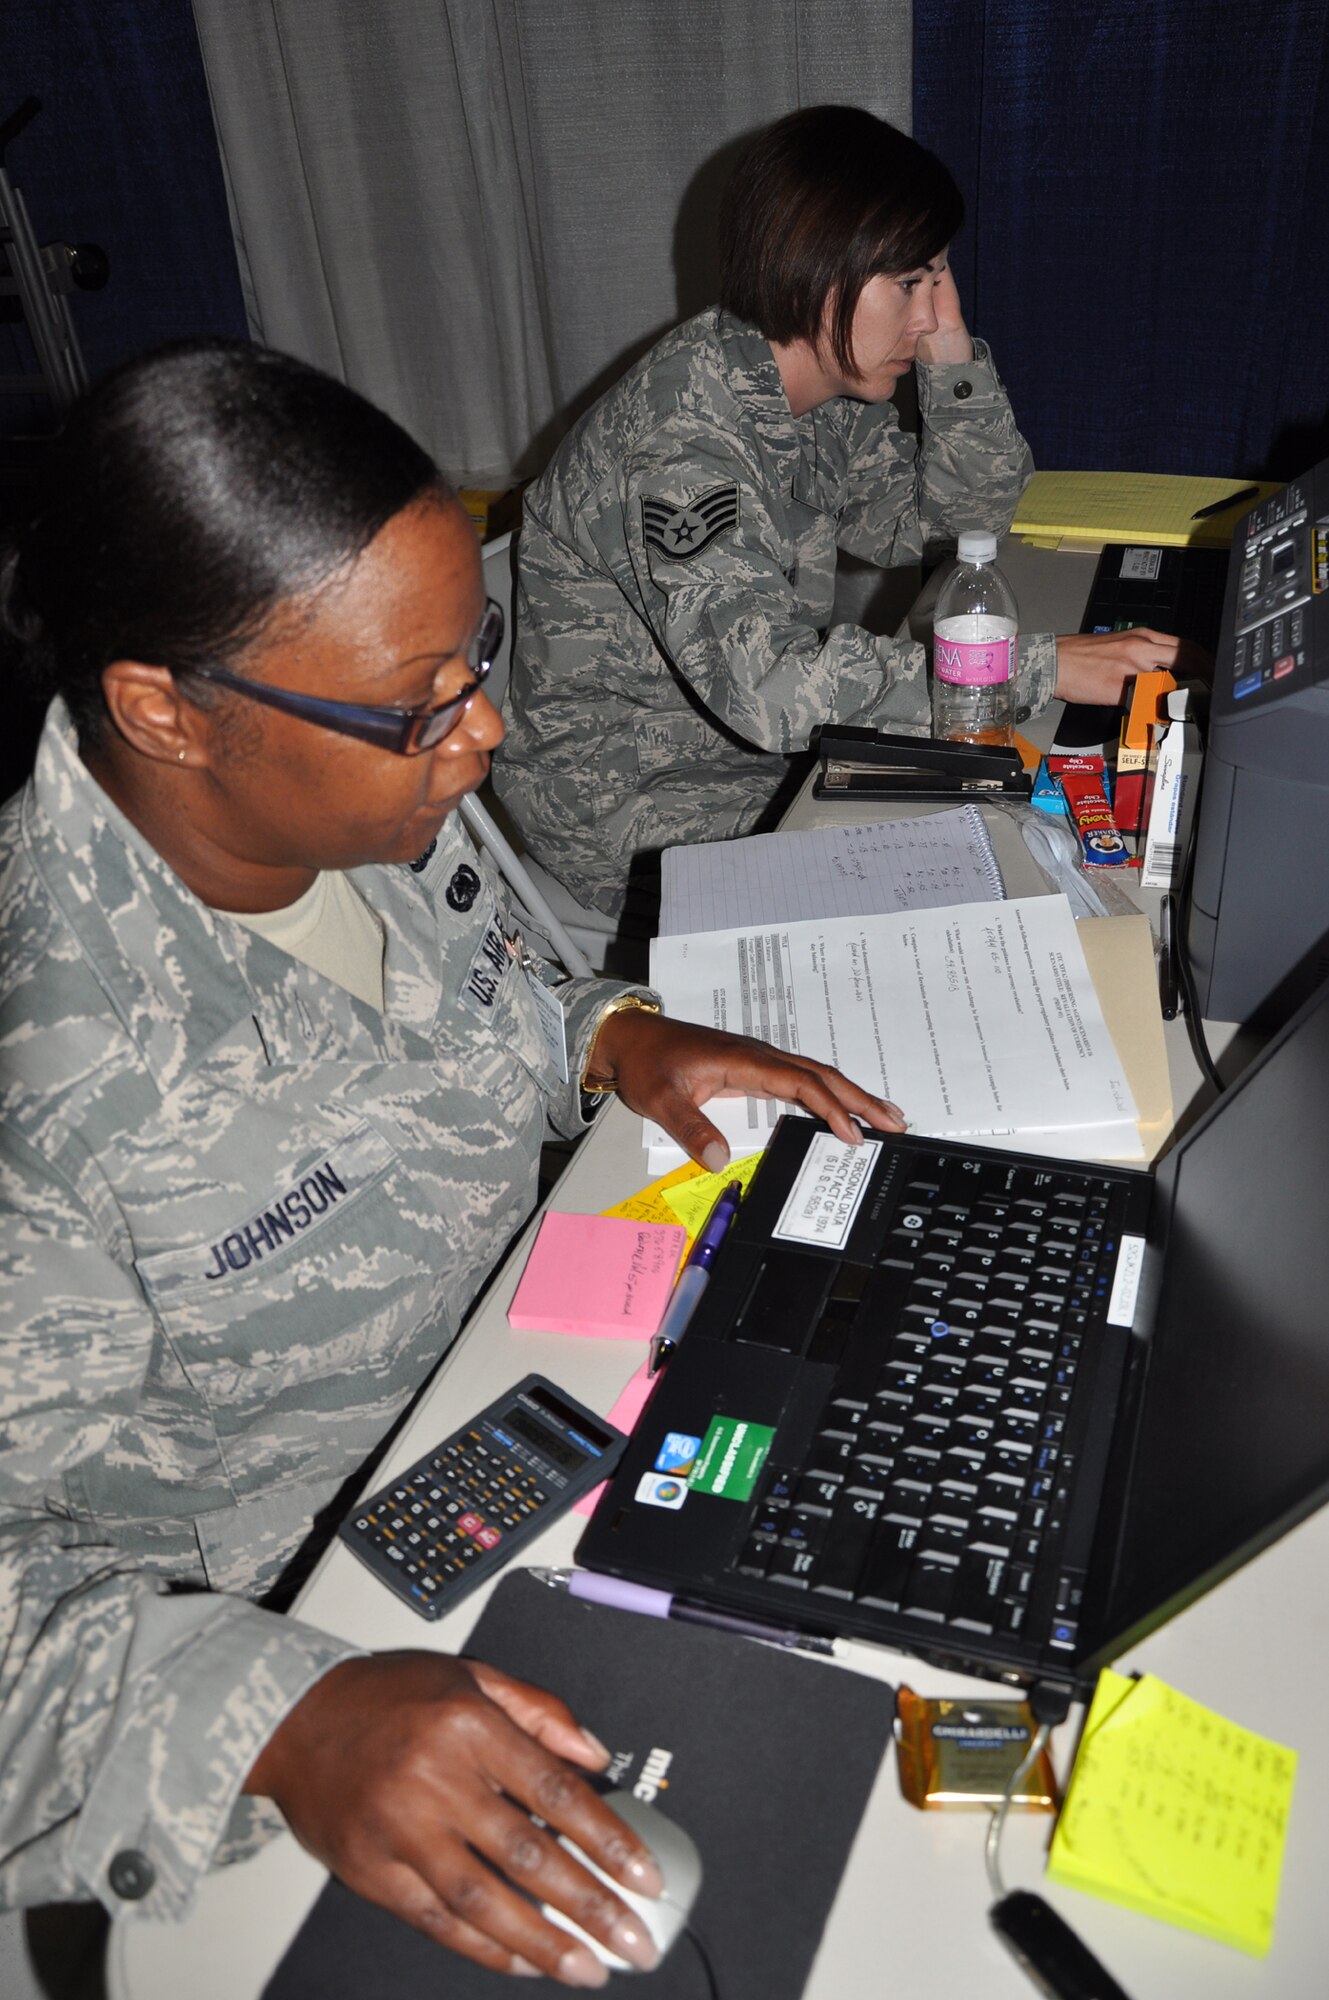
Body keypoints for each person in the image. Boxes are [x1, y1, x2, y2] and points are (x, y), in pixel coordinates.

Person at [0, 339, 906, 1985]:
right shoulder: (41, 1075)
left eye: (468, 665)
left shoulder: (358, 799)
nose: (482, 734)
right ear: (160, 710)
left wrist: (609, 1034)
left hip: (538, 1406)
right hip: (297, 1643)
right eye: (421, 706)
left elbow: (491, 989)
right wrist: (278, 1718)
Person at [496, 105, 1201, 922]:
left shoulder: (808, 391)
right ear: (819, 269)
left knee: (1022, 813)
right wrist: (1039, 668)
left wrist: (952, 356)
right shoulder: (682, 444)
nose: (932, 310)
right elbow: (768, 689)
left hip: (749, 763)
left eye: (938, 276)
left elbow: (951, 523)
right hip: (639, 813)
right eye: (910, 282)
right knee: (985, 862)